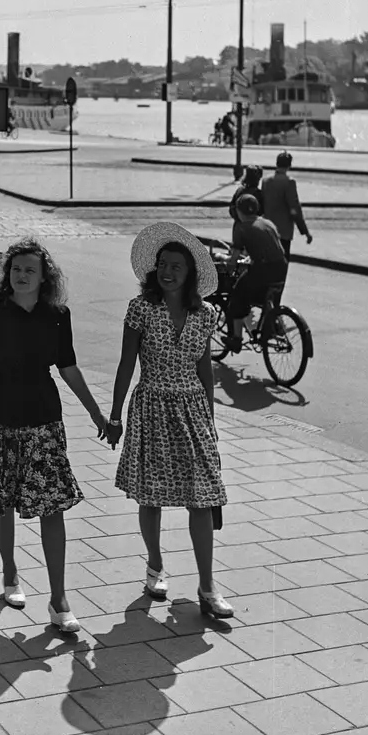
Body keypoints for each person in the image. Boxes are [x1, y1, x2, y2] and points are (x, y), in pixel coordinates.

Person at [0, 238, 107, 634]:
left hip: (45, 422)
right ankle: (9, 573)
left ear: (45, 276)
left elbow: (68, 367)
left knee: (53, 508)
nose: (22, 275)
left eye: (30, 270)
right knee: (3, 504)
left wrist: (95, 412)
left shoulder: (58, 316)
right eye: (16, 269)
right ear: (7, 274)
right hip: (0, 423)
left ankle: (59, 598)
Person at [105, 222, 233, 621]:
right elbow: (126, 365)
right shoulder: (141, 308)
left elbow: (205, 369)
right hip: (152, 405)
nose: (167, 271)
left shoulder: (205, 314)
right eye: (162, 264)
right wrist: (114, 415)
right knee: (152, 495)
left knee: (203, 497)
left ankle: (207, 586)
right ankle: (155, 566)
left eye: (176, 266)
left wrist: (210, 420)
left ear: (190, 272)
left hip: (192, 409)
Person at [226, 194, 288, 352]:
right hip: (281, 267)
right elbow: (268, 247)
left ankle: (236, 339)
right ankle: (271, 326)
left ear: (239, 211)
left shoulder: (242, 228)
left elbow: (234, 257)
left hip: (263, 269)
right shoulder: (267, 223)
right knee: (266, 295)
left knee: (237, 296)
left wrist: (228, 265)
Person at [261, 151, 312, 262]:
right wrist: (305, 231)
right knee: (281, 262)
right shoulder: (289, 182)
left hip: (267, 229)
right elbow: (294, 209)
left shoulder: (265, 181)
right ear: (289, 165)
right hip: (283, 230)